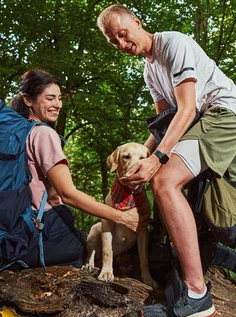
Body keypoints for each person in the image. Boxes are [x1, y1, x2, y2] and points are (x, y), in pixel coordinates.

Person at [97, 5, 236, 317]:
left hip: (222, 114)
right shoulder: (149, 71)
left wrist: (157, 161)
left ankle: (196, 294)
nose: (122, 44)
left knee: (164, 183)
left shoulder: (173, 44)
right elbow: (165, 126)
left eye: (123, 34)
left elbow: (188, 108)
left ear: (137, 22)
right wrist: (143, 155)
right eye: (114, 42)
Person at [10, 69, 141, 268]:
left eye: (59, 98)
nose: (57, 105)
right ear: (28, 100)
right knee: (85, 245)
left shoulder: (16, 133)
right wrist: (121, 216)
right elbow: (67, 194)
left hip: (16, 226)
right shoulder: (44, 134)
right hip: (41, 226)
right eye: (50, 98)